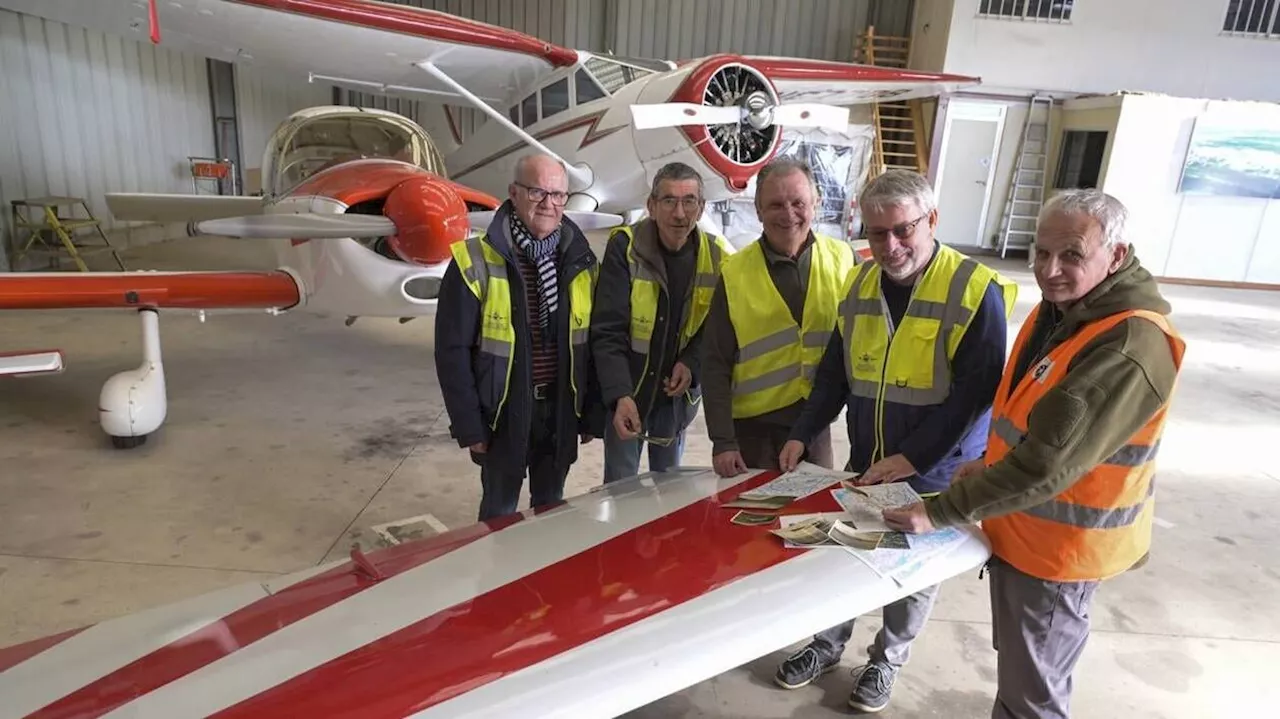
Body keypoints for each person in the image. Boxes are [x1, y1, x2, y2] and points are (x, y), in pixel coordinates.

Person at [882, 189, 1185, 719]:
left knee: (1034, 698)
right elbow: (1034, 419)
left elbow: (1048, 462)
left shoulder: (1127, 344)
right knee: (1022, 679)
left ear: (1116, 256)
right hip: (1023, 532)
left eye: (1072, 254)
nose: (1051, 269)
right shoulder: (1069, 310)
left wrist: (939, 510)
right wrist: (991, 463)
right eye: (1041, 252)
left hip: (1058, 552)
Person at [772, 169, 1018, 712]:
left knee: (911, 572)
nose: (890, 246)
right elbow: (835, 373)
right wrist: (803, 430)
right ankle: (827, 645)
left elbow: (974, 395)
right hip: (870, 458)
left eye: (903, 230)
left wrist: (914, 457)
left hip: (936, 467)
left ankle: (887, 658)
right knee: (846, 555)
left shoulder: (974, 289)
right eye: (877, 233)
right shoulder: (860, 284)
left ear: (931, 220)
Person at [435, 153, 603, 521]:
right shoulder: (474, 259)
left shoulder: (581, 259)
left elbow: (591, 343)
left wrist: (591, 412)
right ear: (513, 193)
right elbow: (452, 353)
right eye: (537, 192)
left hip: (559, 410)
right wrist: (469, 424)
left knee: (550, 511)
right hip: (502, 414)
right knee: (499, 513)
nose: (548, 204)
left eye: (558, 195)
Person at [702, 157, 856, 477]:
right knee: (749, 521)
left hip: (816, 426)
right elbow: (714, 363)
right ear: (758, 211)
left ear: (817, 203)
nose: (788, 215)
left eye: (798, 202)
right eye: (775, 205)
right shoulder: (734, 273)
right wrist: (723, 441)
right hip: (753, 433)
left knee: (812, 519)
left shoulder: (845, 260)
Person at [590, 162, 733, 482]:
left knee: (670, 489)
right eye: (668, 200)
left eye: (689, 201)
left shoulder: (717, 256)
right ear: (651, 206)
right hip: (630, 389)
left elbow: (714, 325)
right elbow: (607, 330)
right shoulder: (625, 248)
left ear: (702, 208)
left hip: (675, 399)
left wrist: (691, 362)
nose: (679, 213)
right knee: (621, 487)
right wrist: (618, 395)